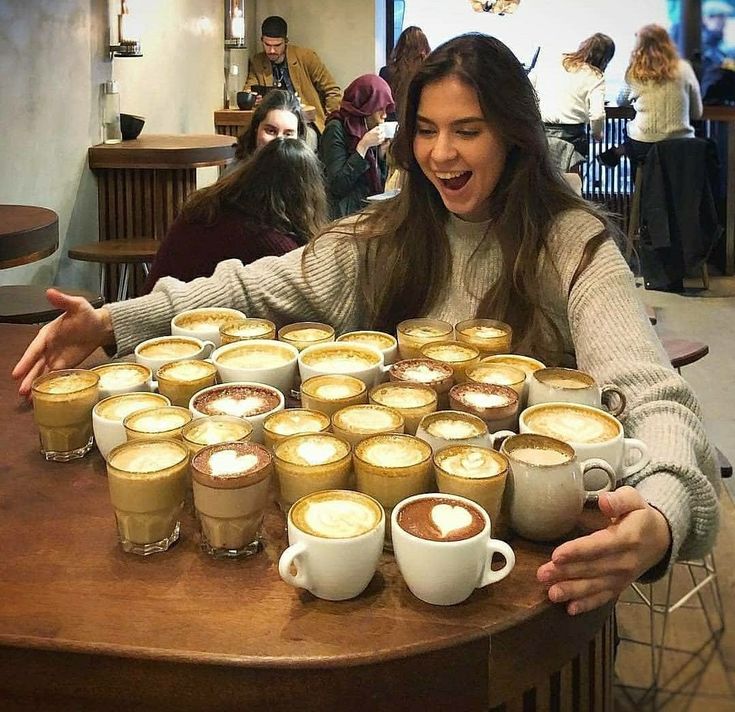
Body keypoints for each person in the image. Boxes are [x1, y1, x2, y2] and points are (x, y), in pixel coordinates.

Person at [13, 34, 719, 617]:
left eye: (466, 131)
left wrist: (658, 515)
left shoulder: (571, 243)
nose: (440, 153)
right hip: (375, 556)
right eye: (425, 131)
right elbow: (251, 287)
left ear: (514, 134)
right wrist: (113, 320)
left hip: (517, 573)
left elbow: (650, 393)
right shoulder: (383, 233)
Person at [141, 138, 327, 290]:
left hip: (150, 307)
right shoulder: (269, 241)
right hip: (175, 325)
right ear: (305, 195)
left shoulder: (212, 203)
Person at [617, 24, 703, 175]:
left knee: (631, 139)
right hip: (680, 144)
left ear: (638, 46)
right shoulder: (684, 68)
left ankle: (641, 193)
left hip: (645, 144)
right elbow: (697, 113)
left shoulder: (635, 71)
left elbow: (621, 101)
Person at [244, 15, 342, 133]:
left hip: (306, 123)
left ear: (286, 41)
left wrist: (329, 124)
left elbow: (332, 91)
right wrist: (253, 98)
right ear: (262, 40)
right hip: (273, 122)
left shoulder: (306, 57)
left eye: (277, 45)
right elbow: (249, 90)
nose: (272, 51)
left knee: (305, 139)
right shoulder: (258, 61)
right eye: (267, 45)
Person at [319, 74, 395, 218]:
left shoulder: (366, 127)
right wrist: (363, 147)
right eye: (380, 108)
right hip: (342, 212)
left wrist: (381, 156)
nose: (385, 115)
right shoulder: (336, 128)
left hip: (366, 206)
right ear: (366, 107)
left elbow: (377, 185)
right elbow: (336, 186)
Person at [531, 33, 615, 157]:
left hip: (542, 133)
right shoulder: (595, 76)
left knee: (543, 174)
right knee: (572, 175)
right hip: (572, 137)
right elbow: (597, 115)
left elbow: (528, 87)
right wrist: (597, 134)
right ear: (605, 58)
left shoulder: (553, 62)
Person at [379, 25, 431, 120]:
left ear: (400, 47)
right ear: (425, 47)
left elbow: (383, 103)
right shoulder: (428, 72)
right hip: (419, 121)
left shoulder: (386, 71)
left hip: (392, 121)